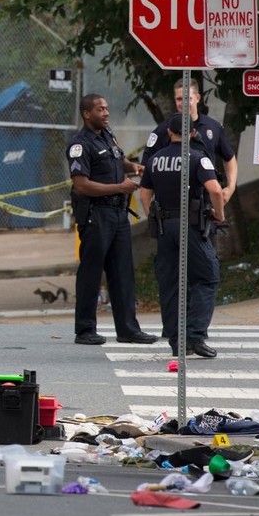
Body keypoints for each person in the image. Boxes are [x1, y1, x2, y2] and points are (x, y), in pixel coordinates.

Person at [68, 93, 157, 346]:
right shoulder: (80, 144)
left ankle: (128, 329)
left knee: (122, 272)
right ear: (87, 114)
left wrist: (133, 167)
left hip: (118, 215)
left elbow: (117, 159)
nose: (106, 113)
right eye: (100, 109)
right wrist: (120, 187)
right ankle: (85, 330)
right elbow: (82, 185)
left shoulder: (108, 135)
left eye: (107, 108)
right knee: (92, 272)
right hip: (96, 215)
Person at [138, 114, 225, 358]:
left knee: (171, 284)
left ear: (168, 133)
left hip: (165, 229)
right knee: (207, 277)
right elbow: (215, 190)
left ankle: (177, 341)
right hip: (191, 226)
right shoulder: (198, 158)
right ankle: (195, 336)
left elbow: (145, 196)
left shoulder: (154, 160)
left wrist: (154, 218)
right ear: (192, 133)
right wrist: (220, 215)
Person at [143, 79, 237, 205]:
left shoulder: (213, 127)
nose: (183, 103)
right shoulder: (162, 130)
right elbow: (146, 167)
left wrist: (230, 188)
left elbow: (229, 158)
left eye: (188, 98)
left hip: (205, 203)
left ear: (197, 98)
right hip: (171, 205)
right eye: (179, 99)